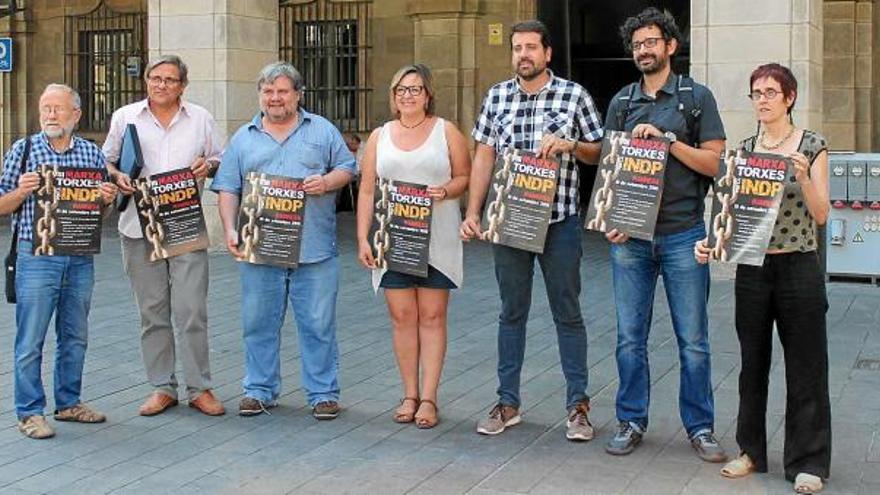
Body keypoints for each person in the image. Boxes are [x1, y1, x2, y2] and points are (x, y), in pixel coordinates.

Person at [459, 20, 603, 441]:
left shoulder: (573, 95)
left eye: (531, 48)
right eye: (517, 48)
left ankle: (578, 407)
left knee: (568, 314)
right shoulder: (497, 97)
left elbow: (599, 151)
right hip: (509, 223)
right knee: (511, 313)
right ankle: (507, 403)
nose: (524, 54)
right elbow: (483, 156)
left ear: (547, 53)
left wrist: (570, 145)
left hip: (560, 223)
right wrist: (473, 211)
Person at [695, 63, 831, 494]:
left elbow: (823, 213)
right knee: (752, 363)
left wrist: (804, 176)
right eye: (756, 92)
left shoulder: (811, 146)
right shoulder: (746, 149)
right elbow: (732, 214)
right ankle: (750, 450)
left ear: (789, 97)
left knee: (806, 366)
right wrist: (711, 243)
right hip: (753, 269)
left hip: (799, 266)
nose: (763, 99)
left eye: (772, 91)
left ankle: (807, 462)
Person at [602, 8, 727, 461]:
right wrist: (610, 218)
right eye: (637, 45)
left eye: (651, 42)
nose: (644, 50)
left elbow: (716, 164)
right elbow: (612, 169)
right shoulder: (621, 101)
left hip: (682, 234)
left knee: (693, 340)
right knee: (628, 338)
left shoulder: (695, 97)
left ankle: (700, 427)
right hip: (631, 240)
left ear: (670, 46)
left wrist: (669, 142)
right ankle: (631, 420)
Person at [213, 61, 356, 419]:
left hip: (315, 250)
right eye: (268, 91)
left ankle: (323, 393)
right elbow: (228, 187)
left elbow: (349, 167)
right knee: (258, 323)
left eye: (282, 91)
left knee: (318, 325)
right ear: (260, 95)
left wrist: (326, 182)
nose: (275, 98)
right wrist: (230, 228)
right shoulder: (243, 138)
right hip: (260, 250)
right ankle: (258, 390)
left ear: (298, 95)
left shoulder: (321, 130)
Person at [103, 55, 225, 417]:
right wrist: (115, 175)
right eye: (155, 78)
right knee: (152, 311)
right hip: (138, 227)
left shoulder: (200, 118)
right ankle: (162, 387)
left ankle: (199, 388)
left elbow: (221, 156)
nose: (161, 85)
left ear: (182, 86)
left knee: (191, 310)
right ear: (146, 81)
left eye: (170, 80)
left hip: (183, 223)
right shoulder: (125, 117)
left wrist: (210, 165)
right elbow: (106, 160)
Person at [356, 64, 471, 429]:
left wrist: (447, 190)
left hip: (436, 236)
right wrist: (362, 237)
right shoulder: (380, 136)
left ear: (427, 94)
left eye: (416, 89)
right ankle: (409, 393)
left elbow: (464, 176)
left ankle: (430, 398)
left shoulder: (445, 130)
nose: (408, 95)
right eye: (401, 89)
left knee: (433, 318)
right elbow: (368, 189)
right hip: (394, 238)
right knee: (402, 318)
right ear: (393, 96)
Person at [0, 84, 117, 439]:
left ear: (76, 115)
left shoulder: (91, 154)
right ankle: (29, 412)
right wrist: (21, 191)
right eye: (45, 108)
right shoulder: (22, 150)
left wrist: (106, 198)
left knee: (75, 336)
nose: (50, 115)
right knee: (30, 338)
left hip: (79, 257)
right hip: (36, 257)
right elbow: (2, 205)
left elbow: (99, 210)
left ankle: (68, 403)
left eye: (58, 108)